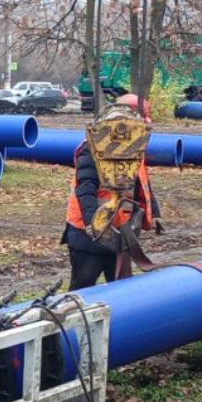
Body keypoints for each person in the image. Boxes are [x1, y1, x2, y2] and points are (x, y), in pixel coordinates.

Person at [62, 94, 161, 291]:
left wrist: (154, 214)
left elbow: (142, 183)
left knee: (120, 290)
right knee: (82, 289)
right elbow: (85, 188)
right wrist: (93, 223)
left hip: (120, 233)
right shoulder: (92, 148)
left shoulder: (133, 147)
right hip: (87, 236)